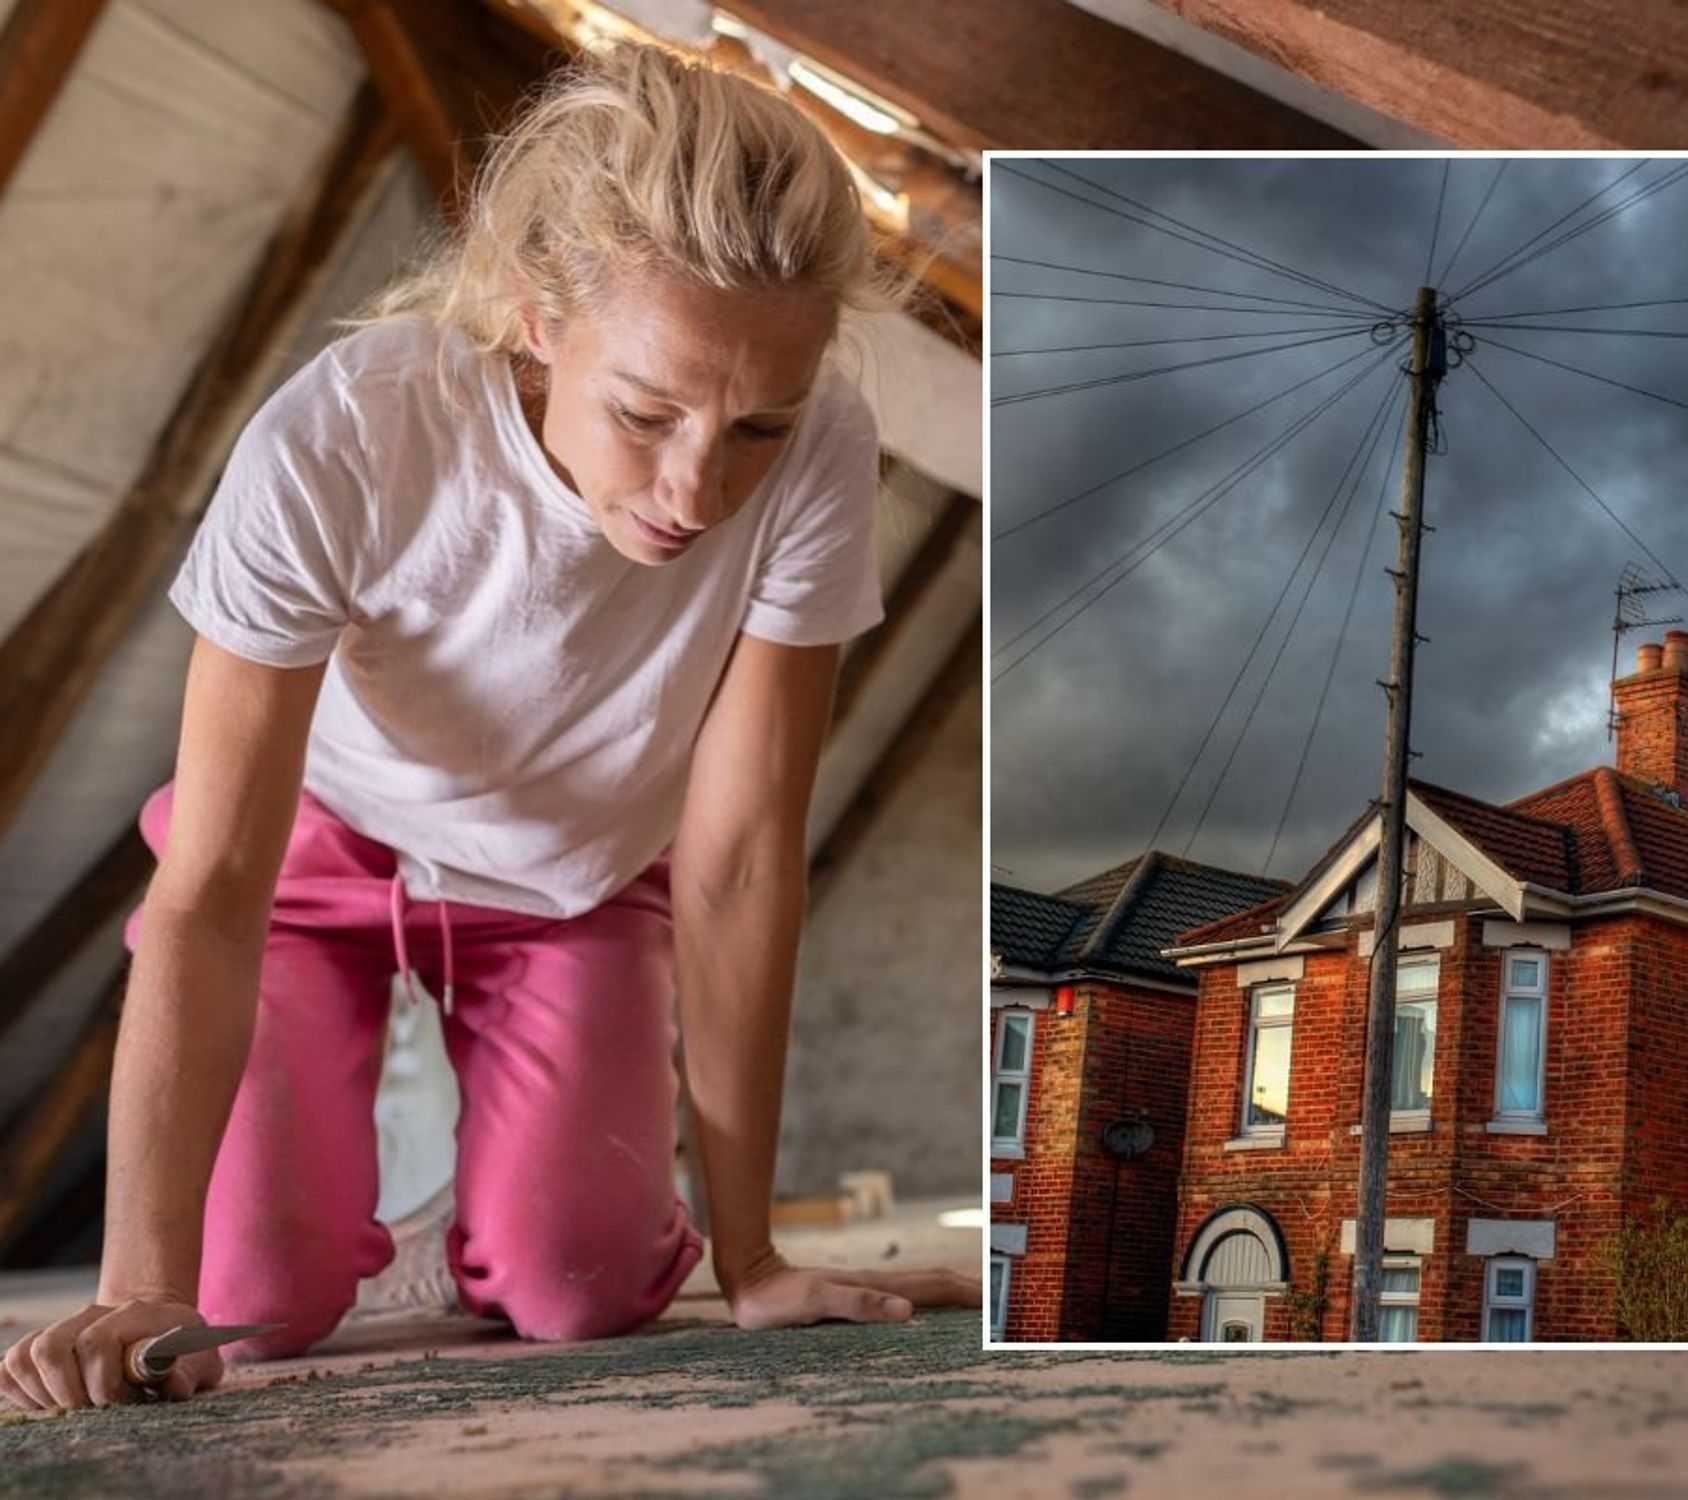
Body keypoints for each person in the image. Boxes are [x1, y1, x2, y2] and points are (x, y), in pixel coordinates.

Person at [0, 42, 976, 1412]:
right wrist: (135, 1288)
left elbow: (743, 856)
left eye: (756, 425)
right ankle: (338, 1235)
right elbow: (214, 879)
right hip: (316, 863)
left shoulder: (816, 451)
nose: (698, 487)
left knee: (578, 1292)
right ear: (535, 316)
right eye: (645, 411)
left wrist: (751, 1254)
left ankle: (497, 1219)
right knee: (244, 1313)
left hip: (575, 879)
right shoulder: (343, 439)